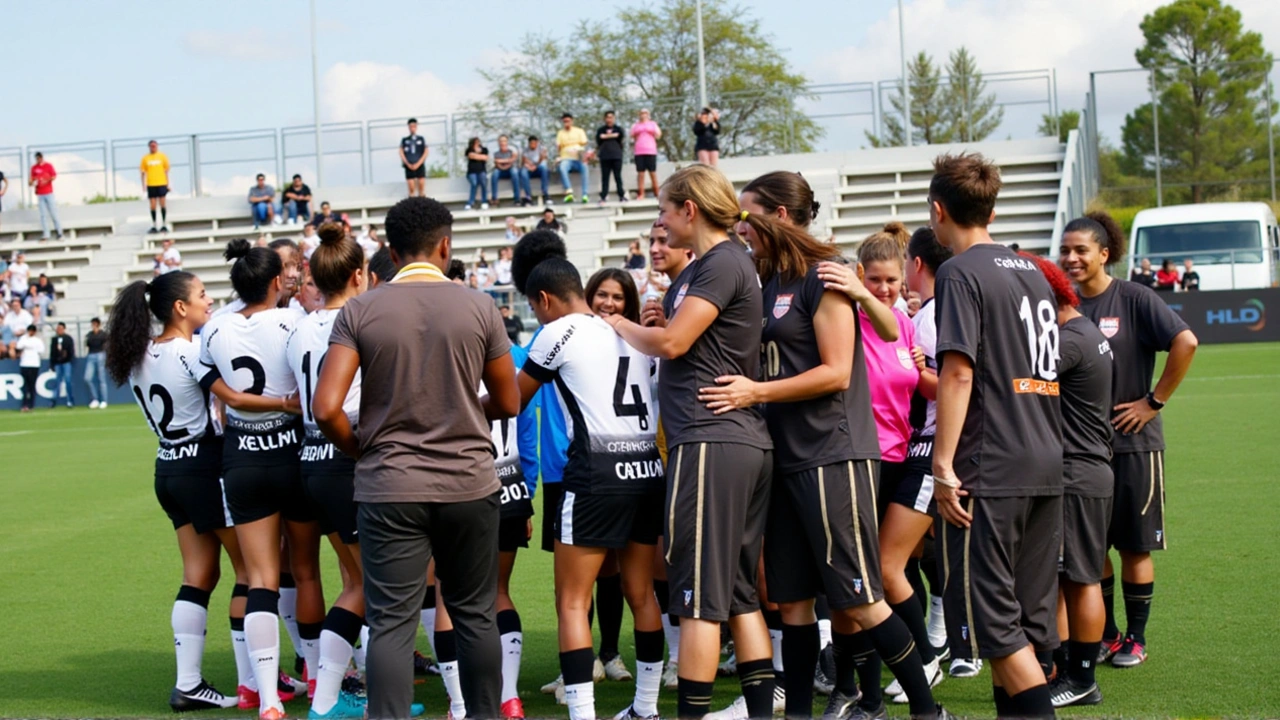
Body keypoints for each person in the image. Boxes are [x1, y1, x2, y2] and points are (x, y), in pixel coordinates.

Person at [691, 172, 946, 720]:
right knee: (794, 604)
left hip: (833, 454)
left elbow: (836, 372)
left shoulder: (822, 274)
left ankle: (928, 711)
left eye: (748, 214)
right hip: (781, 458)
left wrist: (754, 391)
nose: (740, 226)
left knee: (860, 597)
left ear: (779, 215)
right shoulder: (767, 281)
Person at [312, 196, 519, 720]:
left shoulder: (361, 308)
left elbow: (326, 408)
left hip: (390, 484)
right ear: (444, 245)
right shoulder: (479, 305)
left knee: (391, 623)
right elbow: (509, 401)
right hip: (469, 482)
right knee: (474, 615)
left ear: (390, 248)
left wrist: (360, 446)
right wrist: (462, 413)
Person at [600, 165, 777, 720]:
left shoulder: (721, 262)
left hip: (710, 442)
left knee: (699, 596)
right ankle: (756, 707)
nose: (660, 222)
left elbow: (674, 344)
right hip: (732, 443)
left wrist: (619, 323)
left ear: (690, 211)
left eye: (664, 211)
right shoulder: (714, 266)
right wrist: (656, 315)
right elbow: (684, 334)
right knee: (740, 594)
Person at [106, 270, 298, 711]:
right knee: (251, 575)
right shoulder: (190, 352)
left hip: (167, 470)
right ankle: (255, 681)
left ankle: (188, 683)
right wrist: (285, 403)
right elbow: (233, 398)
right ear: (179, 307)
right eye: (202, 295)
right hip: (204, 466)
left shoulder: (140, 354)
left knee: (199, 576)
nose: (208, 302)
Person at [929, 153, 1062, 719]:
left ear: (938, 212)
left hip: (993, 464)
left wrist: (942, 466)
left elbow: (958, 373)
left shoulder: (958, 272)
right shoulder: (1030, 268)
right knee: (1026, 622)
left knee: (995, 624)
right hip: (1045, 460)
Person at [513, 246, 664, 720]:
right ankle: (646, 708)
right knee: (642, 593)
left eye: (535, 308)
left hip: (595, 473)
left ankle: (584, 715)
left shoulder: (555, 332)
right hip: (646, 469)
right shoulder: (631, 331)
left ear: (544, 300)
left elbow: (512, 399)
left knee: (572, 601)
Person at [1062, 211, 1198, 671]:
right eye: (1065, 250)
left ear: (1105, 253)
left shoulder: (1135, 298)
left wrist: (1152, 403)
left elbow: (1186, 342)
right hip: (1082, 449)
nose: (1071, 258)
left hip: (1135, 446)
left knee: (1135, 546)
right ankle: (1107, 633)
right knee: (1092, 548)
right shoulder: (1063, 305)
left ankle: (1135, 639)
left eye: (1081, 250)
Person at [200, 239, 317, 720]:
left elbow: (217, 393)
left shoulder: (214, 327)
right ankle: (318, 679)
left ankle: (267, 698)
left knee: (260, 580)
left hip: (241, 461)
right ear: (275, 282)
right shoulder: (295, 322)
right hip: (292, 454)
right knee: (306, 571)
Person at [282, 223, 378, 719]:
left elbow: (296, 396)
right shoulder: (363, 317)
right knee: (370, 585)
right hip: (348, 455)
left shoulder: (298, 324)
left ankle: (349, 695)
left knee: (351, 577)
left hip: (309, 459)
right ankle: (328, 701)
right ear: (360, 274)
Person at [1020, 252, 1114, 709]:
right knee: (1068, 578)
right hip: (1083, 468)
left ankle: (1081, 678)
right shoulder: (1082, 331)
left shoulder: (1069, 341)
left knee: (1080, 579)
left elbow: (1021, 381)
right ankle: (1062, 668)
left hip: (1078, 472)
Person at [556, 114, 592, 204]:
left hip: (578, 157)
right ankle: (569, 192)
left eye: (568, 121)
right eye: (564, 122)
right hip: (566, 157)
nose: (566, 123)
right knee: (562, 167)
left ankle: (585, 194)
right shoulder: (560, 133)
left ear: (572, 121)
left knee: (585, 167)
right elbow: (559, 147)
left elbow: (584, 144)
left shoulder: (579, 131)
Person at [30, 152, 64, 241]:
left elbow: (54, 176)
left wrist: (46, 180)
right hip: (40, 194)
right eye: (37, 158)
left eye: (40, 158)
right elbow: (31, 180)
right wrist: (32, 182)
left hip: (48, 193)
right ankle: (46, 234)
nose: (38, 159)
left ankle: (59, 233)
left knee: (54, 213)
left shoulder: (48, 166)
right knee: (43, 215)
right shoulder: (34, 168)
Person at [630, 109, 662, 200]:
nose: (643, 115)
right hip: (639, 151)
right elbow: (632, 135)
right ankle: (641, 193)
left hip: (651, 150)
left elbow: (658, 134)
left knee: (652, 172)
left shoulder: (653, 124)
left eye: (645, 113)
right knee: (641, 173)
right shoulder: (636, 125)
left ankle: (657, 192)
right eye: (641, 113)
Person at [596, 111, 627, 204]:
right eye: (607, 117)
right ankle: (603, 196)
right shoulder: (601, 130)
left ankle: (621, 195)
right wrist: (611, 136)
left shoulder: (618, 129)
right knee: (605, 178)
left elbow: (620, 137)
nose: (609, 119)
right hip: (605, 156)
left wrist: (606, 136)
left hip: (616, 156)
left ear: (614, 118)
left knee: (618, 177)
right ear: (605, 119)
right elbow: (599, 139)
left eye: (611, 117)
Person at [141, 140, 171, 233]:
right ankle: (154, 224)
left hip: (161, 183)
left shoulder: (162, 156)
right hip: (151, 184)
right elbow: (143, 172)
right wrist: (143, 185)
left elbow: (166, 171)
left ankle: (164, 224)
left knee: (162, 204)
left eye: (154, 146)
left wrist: (168, 184)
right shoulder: (146, 158)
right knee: (153, 205)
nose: (153, 147)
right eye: (151, 146)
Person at [490, 136, 526, 207]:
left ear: (507, 142)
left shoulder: (512, 151)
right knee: (494, 174)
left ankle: (517, 198)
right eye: (501, 141)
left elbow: (512, 161)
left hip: (510, 169)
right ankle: (494, 198)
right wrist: (505, 163)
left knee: (514, 172)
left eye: (504, 141)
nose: (502, 143)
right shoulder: (496, 153)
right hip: (501, 170)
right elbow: (497, 164)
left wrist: (502, 161)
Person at [84, 317, 109, 409]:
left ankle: (104, 400)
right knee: (87, 378)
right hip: (91, 355)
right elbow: (87, 343)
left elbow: (105, 344)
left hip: (100, 354)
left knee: (101, 379)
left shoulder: (103, 334)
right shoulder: (90, 334)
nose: (93, 326)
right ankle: (95, 399)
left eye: (95, 324)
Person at [49, 321, 75, 408]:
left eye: (60, 328)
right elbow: (52, 352)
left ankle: (70, 400)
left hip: (66, 362)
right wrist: (52, 364)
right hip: (57, 363)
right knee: (57, 381)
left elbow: (71, 351)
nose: (59, 330)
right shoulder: (54, 339)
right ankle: (54, 400)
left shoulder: (68, 338)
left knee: (68, 381)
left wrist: (69, 359)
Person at [401, 118, 429, 198]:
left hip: (419, 164)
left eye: (414, 126)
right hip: (409, 165)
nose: (412, 128)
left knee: (421, 184)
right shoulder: (405, 140)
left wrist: (419, 163)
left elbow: (426, 151)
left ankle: (422, 202)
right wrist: (407, 163)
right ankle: (411, 204)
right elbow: (401, 152)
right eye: (411, 126)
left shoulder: (421, 139)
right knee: (411, 187)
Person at [523, 136, 552, 206]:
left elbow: (543, 159)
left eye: (534, 143)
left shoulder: (542, 149)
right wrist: (530, 166)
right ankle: (528, 196)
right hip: (530, 169)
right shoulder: (526, 150)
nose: (533, 145)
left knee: (544, 168)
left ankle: (545, 193)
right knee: (523, 172)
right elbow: (525, 160)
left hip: (539, 168)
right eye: (531, 143)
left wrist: (536, 165)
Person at [465, 137, 491, 210]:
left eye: (478, 142)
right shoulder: (469, 150)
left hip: (482, 171)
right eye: (475, 142)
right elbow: (470, 155)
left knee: (483, 182)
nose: (477, 143)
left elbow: (486, 158)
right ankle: (470, 202)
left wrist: (476, 156)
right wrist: (480, 156)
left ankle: (484, 201)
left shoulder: (484, 149)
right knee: (474, 183)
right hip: (471, 172)